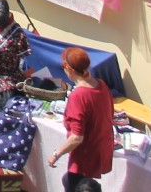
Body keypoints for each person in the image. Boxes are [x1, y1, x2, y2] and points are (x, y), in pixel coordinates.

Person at [49, 46, 115, 192]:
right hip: (101, 146)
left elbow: (77, 137)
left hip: (85, 153)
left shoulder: (78, 95)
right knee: (69, 180)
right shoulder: (101, 85)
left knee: (75, 184)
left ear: (70, 70)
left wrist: (56, 154)